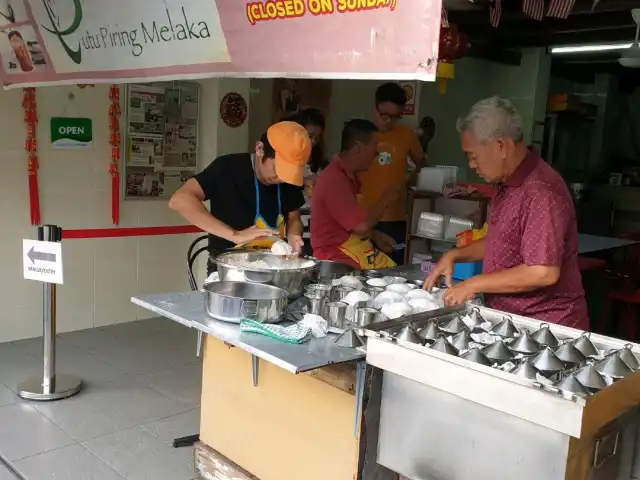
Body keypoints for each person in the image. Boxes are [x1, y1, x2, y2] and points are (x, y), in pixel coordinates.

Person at [424, 97, 588, 330]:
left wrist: (473, 284)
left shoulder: (541, 191)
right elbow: (503, 241)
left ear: (501, 146)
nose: (471, 165)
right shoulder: (506, 182)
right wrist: (454, 255)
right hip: (511, 320)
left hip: (546, 329)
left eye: (472, 155)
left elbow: (542, 272)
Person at [169, 121, 311, 274]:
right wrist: (234, 235)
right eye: (278, 169)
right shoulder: (228, 168)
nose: (282, 179)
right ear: (260, 149)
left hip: (275, 268)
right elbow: (180, 200)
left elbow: (294, 217)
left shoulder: (286, 181)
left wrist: (294, 234)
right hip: (229, 271)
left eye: (289, 173)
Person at [311, 119, 398, 269]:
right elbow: (361, 226)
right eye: (374, 148)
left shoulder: (348, 176)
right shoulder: (334, 180)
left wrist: (375, 235)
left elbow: (348, 224)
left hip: (352, 248)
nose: (376, 154)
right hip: (336, 258)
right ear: (358, 148)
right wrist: (386, 199)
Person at [359, 82, 427, 265]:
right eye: (384, 115)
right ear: (374, 106)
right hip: (361, 216)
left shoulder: (406, 135)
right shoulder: (359, 133)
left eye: (395, 117)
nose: (388, 121)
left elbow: (422, 164)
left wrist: (407, 183)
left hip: (394, 218)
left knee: (393, 271)